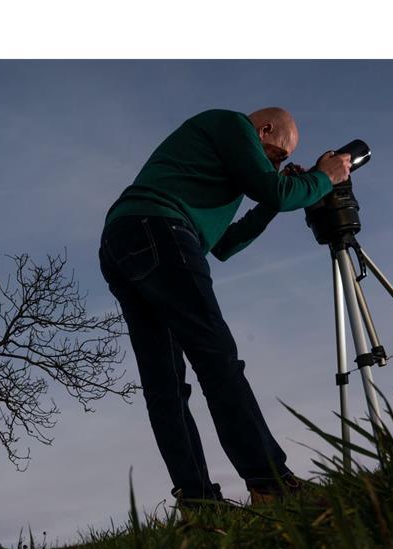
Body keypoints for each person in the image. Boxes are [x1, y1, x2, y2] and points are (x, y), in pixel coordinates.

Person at [99, 107, 352, 510]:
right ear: (263, 129)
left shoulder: (217, 172)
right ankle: (270, 484)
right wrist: (325, 177)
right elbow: (278, 191)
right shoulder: (232, 124)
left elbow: (225, 245)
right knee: (218, 362)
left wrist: (272, 202)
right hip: (160, 229)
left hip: (125, 241)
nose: (277, 164)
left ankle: (199, 503)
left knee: (164, 384)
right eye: (278, 154)